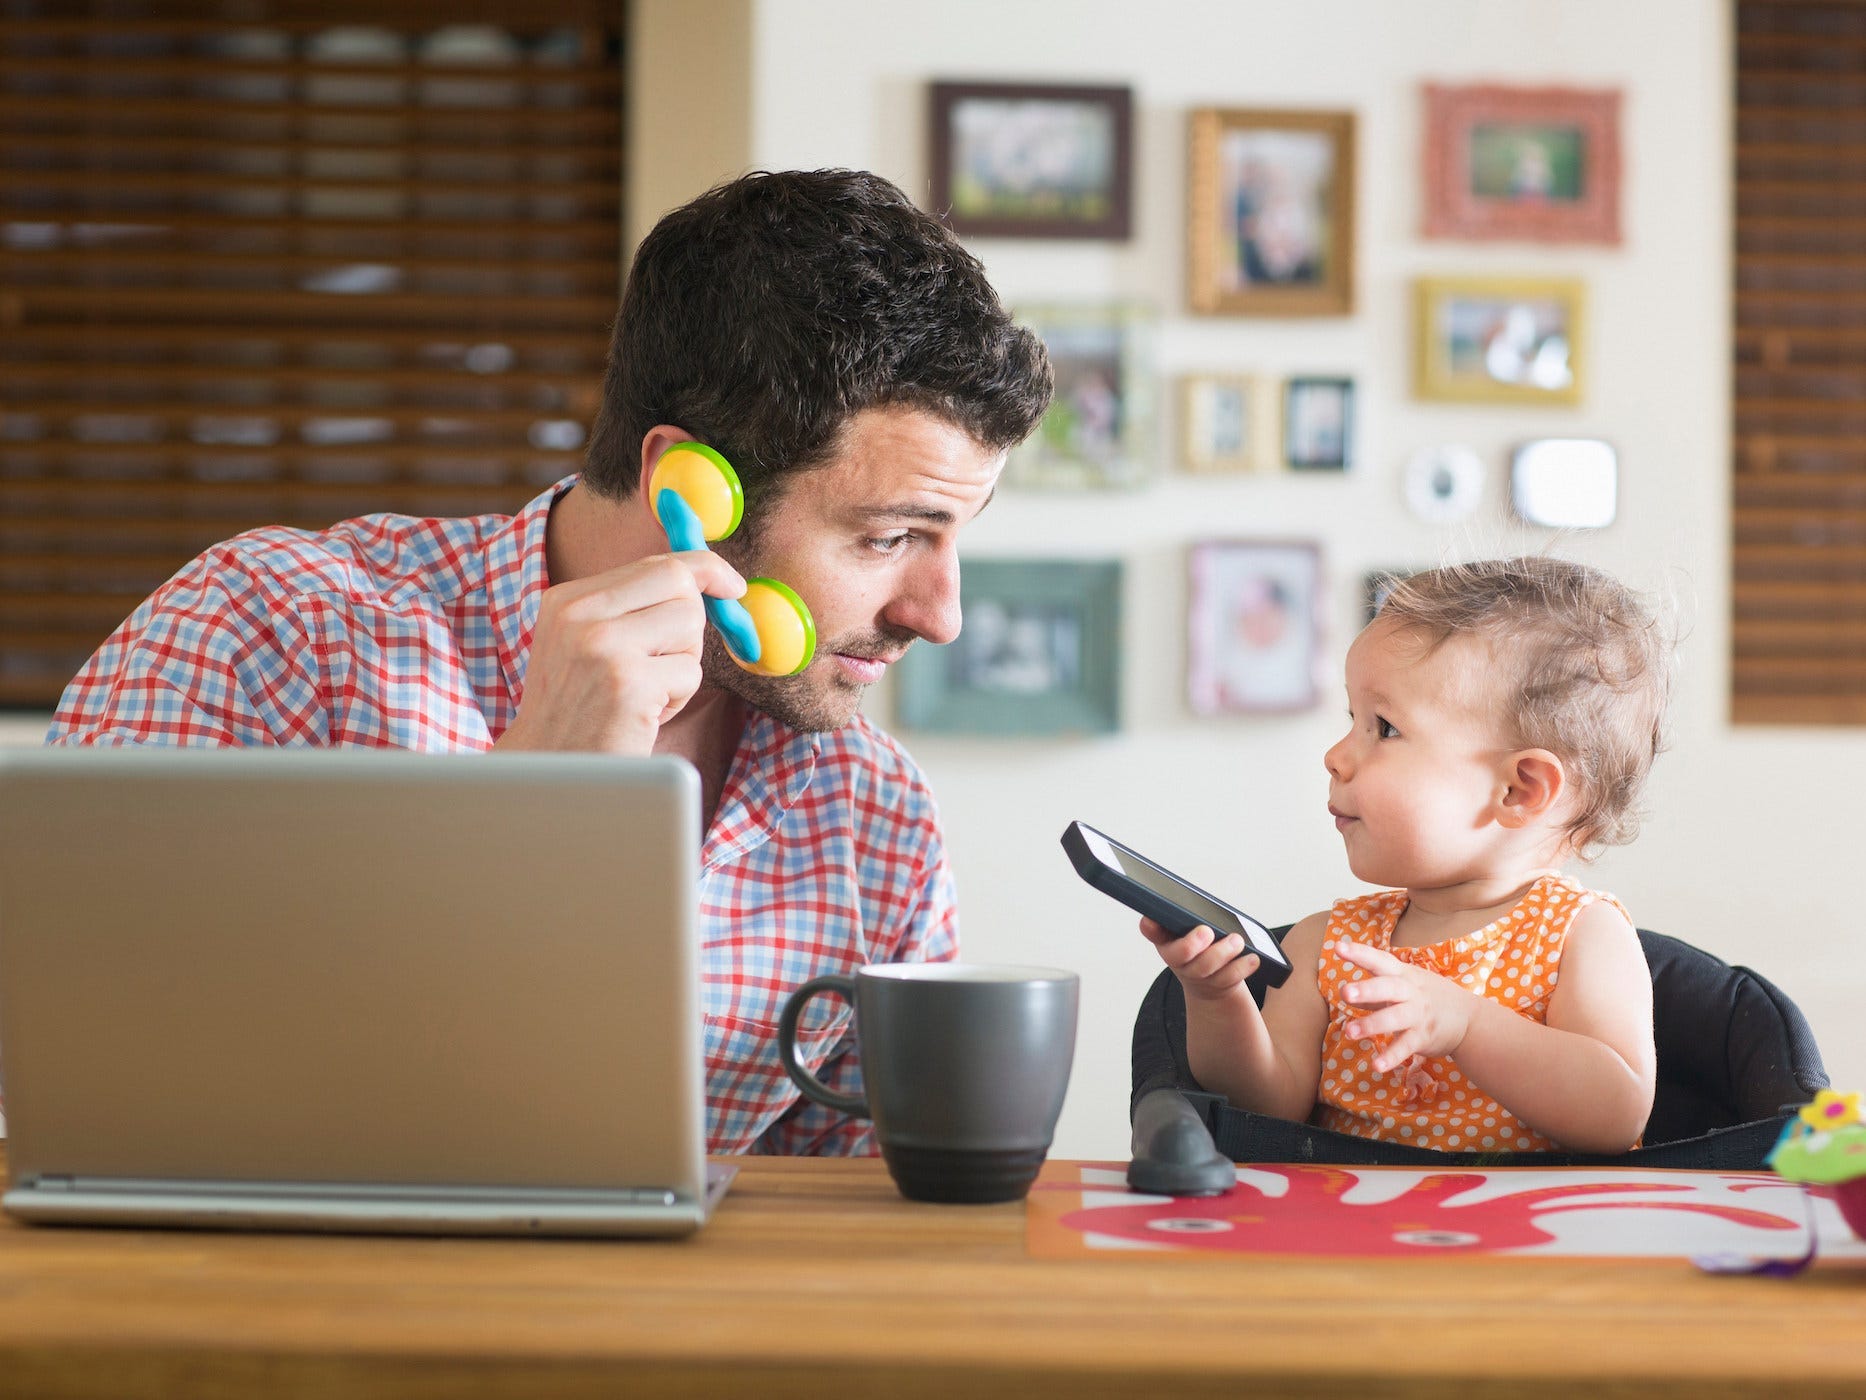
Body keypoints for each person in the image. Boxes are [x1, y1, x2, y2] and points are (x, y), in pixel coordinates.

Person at [44, 169, 1054, 1156]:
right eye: (889, 538)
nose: (942, 615)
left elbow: (850, 1229)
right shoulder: (272, 632)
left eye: (953, 537)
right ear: (687, 491)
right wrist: (520, 821)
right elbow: (56, 1072)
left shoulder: (873, 815)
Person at [1143, 558, 1673, 1154]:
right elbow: (1268, 1110)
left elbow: (1614, 1116)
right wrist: (1217, 999)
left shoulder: (1582, 935)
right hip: (1351, 1239)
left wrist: (1467, 1025)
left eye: (1385, 729)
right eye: (1353, 720)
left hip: (1530, 1241)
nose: (1336, 756)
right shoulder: (1327, 946)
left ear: (1519, 789)